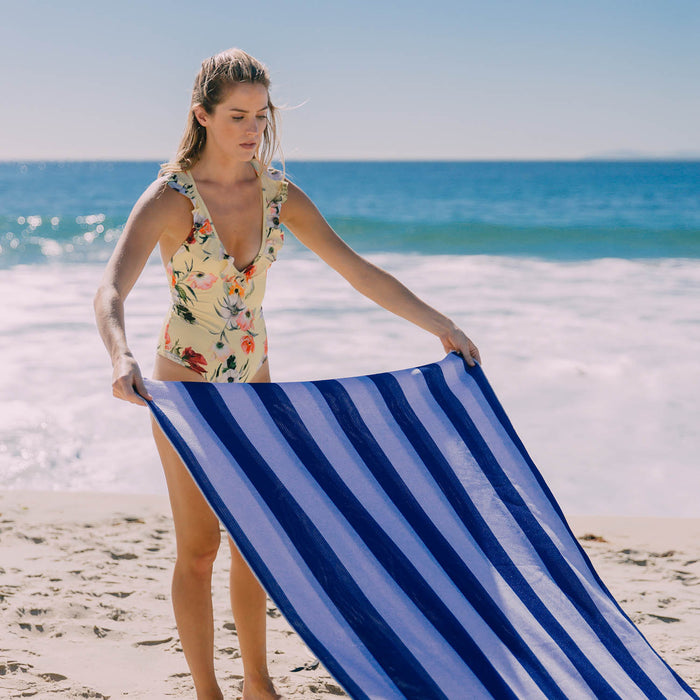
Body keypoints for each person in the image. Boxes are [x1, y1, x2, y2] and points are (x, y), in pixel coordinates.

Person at [94, 48, 481, 700]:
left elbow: (357, 270)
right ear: (203, 116)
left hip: (257, 389)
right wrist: (119, 356)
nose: (252, 129)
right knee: (198, 550)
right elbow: (109, 289)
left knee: (258, 542)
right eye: (238, 115)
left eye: (261, 115)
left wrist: (440, 324)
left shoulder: (279, 194)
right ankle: (208, 692)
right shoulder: (171, 198)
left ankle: (257, 684)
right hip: (187, 394)